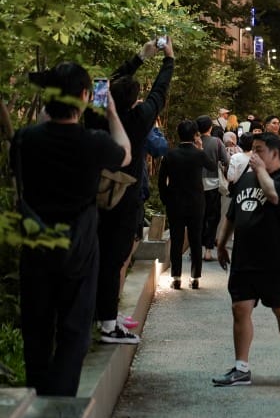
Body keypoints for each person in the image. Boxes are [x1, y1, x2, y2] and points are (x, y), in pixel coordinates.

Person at [13, 62, 130, 396]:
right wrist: (110, 112)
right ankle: (60, 406)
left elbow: (29, 146)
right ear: (84, 97)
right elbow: (125, 154)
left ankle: (37, 398)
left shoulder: (26, 139)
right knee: (74, 329)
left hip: (35, 246)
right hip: (78, 248)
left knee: (36, 327)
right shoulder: (92, 142)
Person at [95, 38, 174, 345]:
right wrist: (168, 60)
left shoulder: (96, 115)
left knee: (95, 255)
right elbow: (160, 92)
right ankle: (107, 323)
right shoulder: (140, 120)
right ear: (134, 100)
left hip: (94, 192)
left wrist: (139, 56)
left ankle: (98, 316)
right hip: (125, 195)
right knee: (114, 259)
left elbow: (105, 83)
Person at [214, 133, 280, 387]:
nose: (254, 155)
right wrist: (221, 243)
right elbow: (231, 214)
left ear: (275, 153)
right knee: (239, 308)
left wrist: (262, 170)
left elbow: (273, 195)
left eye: (260, 150)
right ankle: (241, 368)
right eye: (253, 150)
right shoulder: (246, 179)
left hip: (277, 260)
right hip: (245, 258)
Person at [157, 120, 215, 290]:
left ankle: (175, 277)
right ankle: (195, 277)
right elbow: (212, 166)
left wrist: (166, 199)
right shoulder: (199, 154)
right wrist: (201, 148)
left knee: (176, 239)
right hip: (196, 203)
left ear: (178, 134)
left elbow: (162, 181)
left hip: (175, 203)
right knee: (196, 239)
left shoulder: (170, 154)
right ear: (195, 135)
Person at [197, 115, 229, 263]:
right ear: (210, 127)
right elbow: (226, 160)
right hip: (213, 184)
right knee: (212, 217)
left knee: (199, 218)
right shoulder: (216, 142)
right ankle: (208, 250)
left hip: (196, 185)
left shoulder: (194, 142)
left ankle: (197, 248)